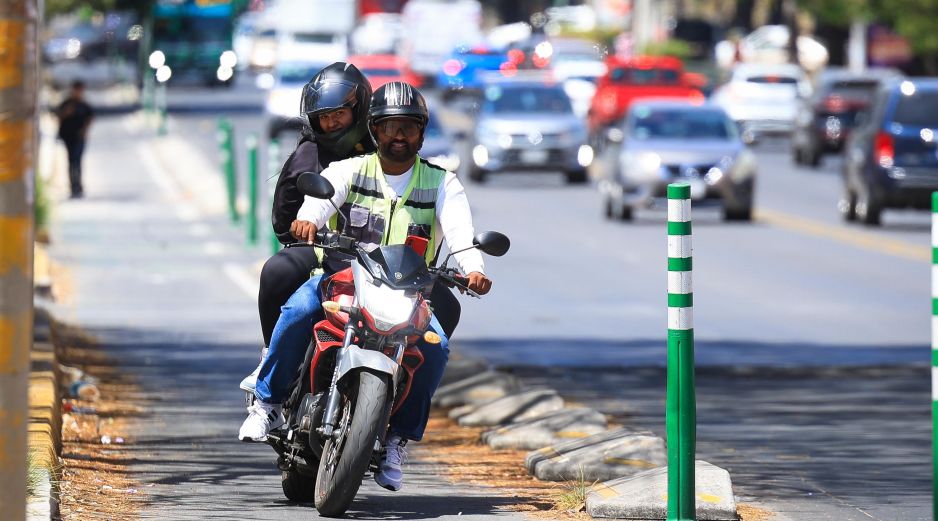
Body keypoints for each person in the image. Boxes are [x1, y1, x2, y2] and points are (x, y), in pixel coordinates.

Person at [239, 82, 492, 493]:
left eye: (408, 127)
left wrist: (473, 268)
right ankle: (266, 401)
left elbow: (462, 235)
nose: (399, 136)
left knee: (436, 347)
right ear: (374, 130)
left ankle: (396, 439)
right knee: (300, 309)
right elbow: (320, 201)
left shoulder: (443, 183)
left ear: (422, 133)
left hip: (408, 293)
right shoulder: (349, 169)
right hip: (341, 279)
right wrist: (309, 221)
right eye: (390, 127)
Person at [241, 63, 462, 393]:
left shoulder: (390, 148)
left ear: (361, 111)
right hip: (332, 251)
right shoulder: (310, 155)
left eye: (338, 114)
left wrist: (465, 265)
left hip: (395, 266)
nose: (330, 123)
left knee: (447, 306)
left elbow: (438, 208)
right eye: (323, 117)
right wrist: (309, 227)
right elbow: (285, 220)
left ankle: (405, 387)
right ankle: (271, 357)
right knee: (279, 272)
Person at [56, 80, 94, 198]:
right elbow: (58, 115)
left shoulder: (84, 105)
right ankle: (73, 185)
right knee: (71, 161)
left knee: (77, 161)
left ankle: (78, 185)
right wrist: (67, 112)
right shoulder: (67, 103)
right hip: (68, 137)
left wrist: (85, 131)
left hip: (79, 137)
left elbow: (90, 117)